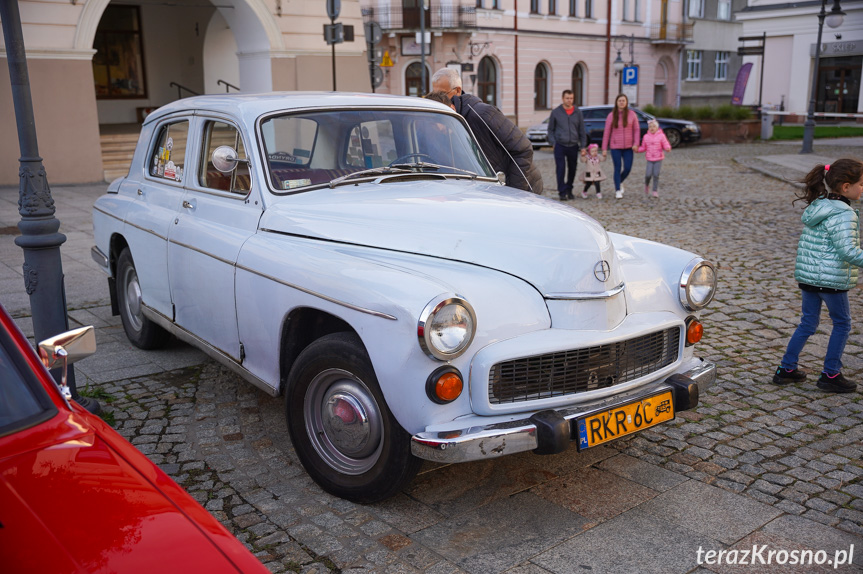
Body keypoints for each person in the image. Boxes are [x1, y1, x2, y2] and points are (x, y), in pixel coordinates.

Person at [773, 158, 863, 393]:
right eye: (861, 184)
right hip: (830, 280)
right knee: (842, 324)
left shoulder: (818, 206)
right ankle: (831, 374)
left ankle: (786, 369)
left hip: (809, 277)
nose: (862, 189)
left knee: (808, 323)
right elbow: (848, 251)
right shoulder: (844, 213)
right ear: (845, 186)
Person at [431, 68, 543, 194]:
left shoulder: (482, 113)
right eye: (435, 94)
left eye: (442, 94)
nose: (439, 99)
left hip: (523, 187)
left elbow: (523, 148)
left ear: (457, 91)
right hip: (486, 191)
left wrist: (514, 192)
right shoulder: (447, 118)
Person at [547, 90, 587, 201]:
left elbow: (582, 131)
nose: (569, 100)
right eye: (567, 98)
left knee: (572, 169)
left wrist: (583, 146)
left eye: (571, 98)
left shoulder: (577, 112)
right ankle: (562, 191)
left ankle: (569, 189)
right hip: (560, 145)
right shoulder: (556, 112)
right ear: (563, 98)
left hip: (573, 145)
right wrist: (553, 142)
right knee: (560, 168)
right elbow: (550, 130)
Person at [601, 94, 640, 199]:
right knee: (617, 168)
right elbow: (607, 133)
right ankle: (617, 190)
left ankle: (620, 181)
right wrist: (604, 148)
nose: (622, 102)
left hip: (628, 147)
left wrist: (636, 143)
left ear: (626, 102)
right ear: (616, 102)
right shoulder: (611, 116)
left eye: (623, 100)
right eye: (620, 101)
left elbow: (636, 130)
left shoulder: (632, 114)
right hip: (615, 147)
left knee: (627, 168)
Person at [637, 119, 671, 198]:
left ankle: (654, 190)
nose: (652, 128)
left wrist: (667, 148)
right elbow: (643, 147)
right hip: (649, 158)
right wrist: (637, 150)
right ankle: (646, 184)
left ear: (657, 128)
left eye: (654, 126)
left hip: (658, 158)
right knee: (648, 174)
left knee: (656, 175)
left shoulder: (661, 136)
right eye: (650, 127)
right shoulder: (646, 137)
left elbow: (665, 143)